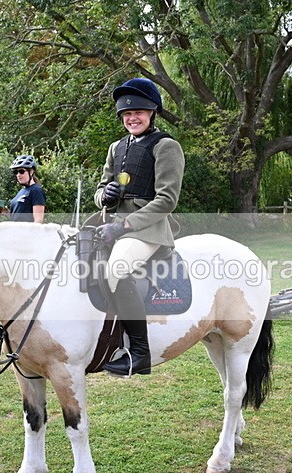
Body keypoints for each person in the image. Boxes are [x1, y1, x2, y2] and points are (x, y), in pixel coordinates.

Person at [93, 78, 184, 377]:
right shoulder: (116, 147)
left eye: (139, 112)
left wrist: (125, 225)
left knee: (117, 269)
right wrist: (104, 196)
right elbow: (100, 188)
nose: (133, 118)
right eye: (127, 114)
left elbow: (167, 200)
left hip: (148, 229)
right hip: (112, 224)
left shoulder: (166, 146)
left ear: (152, 113)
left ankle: (140, 353)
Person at [0, 154, 46, 223]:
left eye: (21, 171)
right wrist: (7, 213)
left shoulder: (36, 190)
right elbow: (19, 218)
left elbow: (38, 220)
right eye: (15, 172)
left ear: (31, 172)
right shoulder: (22, 191)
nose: (18, 175)